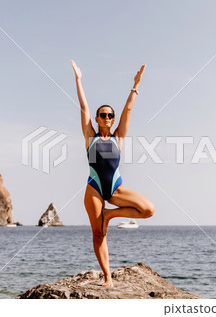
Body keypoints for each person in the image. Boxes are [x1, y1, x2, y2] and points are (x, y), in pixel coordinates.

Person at [71, 60, 155, 287]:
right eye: (102, 115)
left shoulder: (119, 138)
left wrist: (135, 86)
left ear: (113, 119)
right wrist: (79, 80)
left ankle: (110, 215)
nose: (107, 118)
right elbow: (83, 106)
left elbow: (128, 108)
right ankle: (107, 276)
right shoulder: (90, 136)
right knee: (98, 235)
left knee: (148, 209)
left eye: (110, 115)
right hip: (95, 189)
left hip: (117, 189)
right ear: (97, 119)